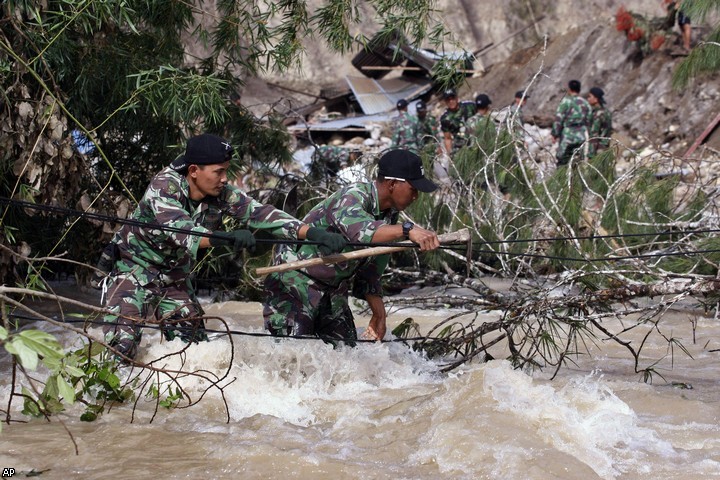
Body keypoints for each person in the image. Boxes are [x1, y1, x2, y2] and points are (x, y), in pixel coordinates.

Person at [99, 133, 347, 360]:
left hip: (174, 276)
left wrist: (311, 233)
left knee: (194, 353)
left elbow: (260, 213)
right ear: (194, 170)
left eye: (226, 171)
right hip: (133, 270)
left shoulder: (220, 192)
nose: (225, 178)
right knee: (120, 350)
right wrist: (226, 238)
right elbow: (184, 234)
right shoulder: (164, 187)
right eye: (219, 172)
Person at [263, 149, 441, 343]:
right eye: (413, 189)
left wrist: (379, 314)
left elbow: (371, 272)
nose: (416, 196)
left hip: (334, 289)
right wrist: (408, 230)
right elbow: (361, 231)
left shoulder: (389, 216)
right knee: (292, 356)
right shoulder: (353, 197)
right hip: (295, 282)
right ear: (392, 184)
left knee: (345, 354)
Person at [551, 79, 591, 166]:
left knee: (562, 160)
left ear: (569, 89)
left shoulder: (565, 102)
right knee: (578, 161)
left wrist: (555, 134)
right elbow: (589, 120)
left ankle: (561, 178)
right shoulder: (585, 103)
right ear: (579, 90)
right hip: (581, 135)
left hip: (567, 135)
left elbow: (558, 119)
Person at [439, 88, 475, 155]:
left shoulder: (470, 106)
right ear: (445, 101)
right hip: (461, 149)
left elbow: (483, 115)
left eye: (453, 98)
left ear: (457, 98)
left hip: (476, 143)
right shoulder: (445, 118)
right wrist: (449, 155)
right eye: (448, 99)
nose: (451, 101)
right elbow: (447, 138)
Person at [587, 86, 613, 156]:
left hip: (597, 150)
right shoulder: (606, 112)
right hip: (605, 147)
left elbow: (594, 135)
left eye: (590, 96)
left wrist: (591, 155)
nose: (588, 99)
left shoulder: (597, 114)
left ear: (596, 99)